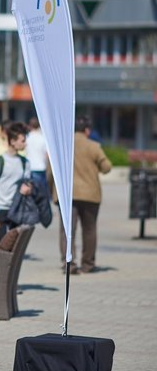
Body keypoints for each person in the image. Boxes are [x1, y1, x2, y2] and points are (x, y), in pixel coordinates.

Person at [53, 115, 112, 274]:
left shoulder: (63, 145)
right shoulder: (94, 146)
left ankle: (69, 264)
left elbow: (50, 170)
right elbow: (107, 167)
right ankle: (88, 264)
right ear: (87, 130)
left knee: (67, 231)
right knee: (89, 230)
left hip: (67, 194)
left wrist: (54, 191)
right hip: (90, 194)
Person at [0, 121, 32, 244]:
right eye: (23, 141)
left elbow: (28, 183)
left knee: (15, 248)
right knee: (1, 247)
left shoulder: (25, 163)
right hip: (0, 208)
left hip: (17, 209)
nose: (25, 143)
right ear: (12, 141)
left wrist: (28, 189)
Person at [25, 117, 49, 187]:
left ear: (29, 126)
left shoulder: (26, 138)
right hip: (41, 168)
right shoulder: (43, 138)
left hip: (30, 167)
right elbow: (47, 155)